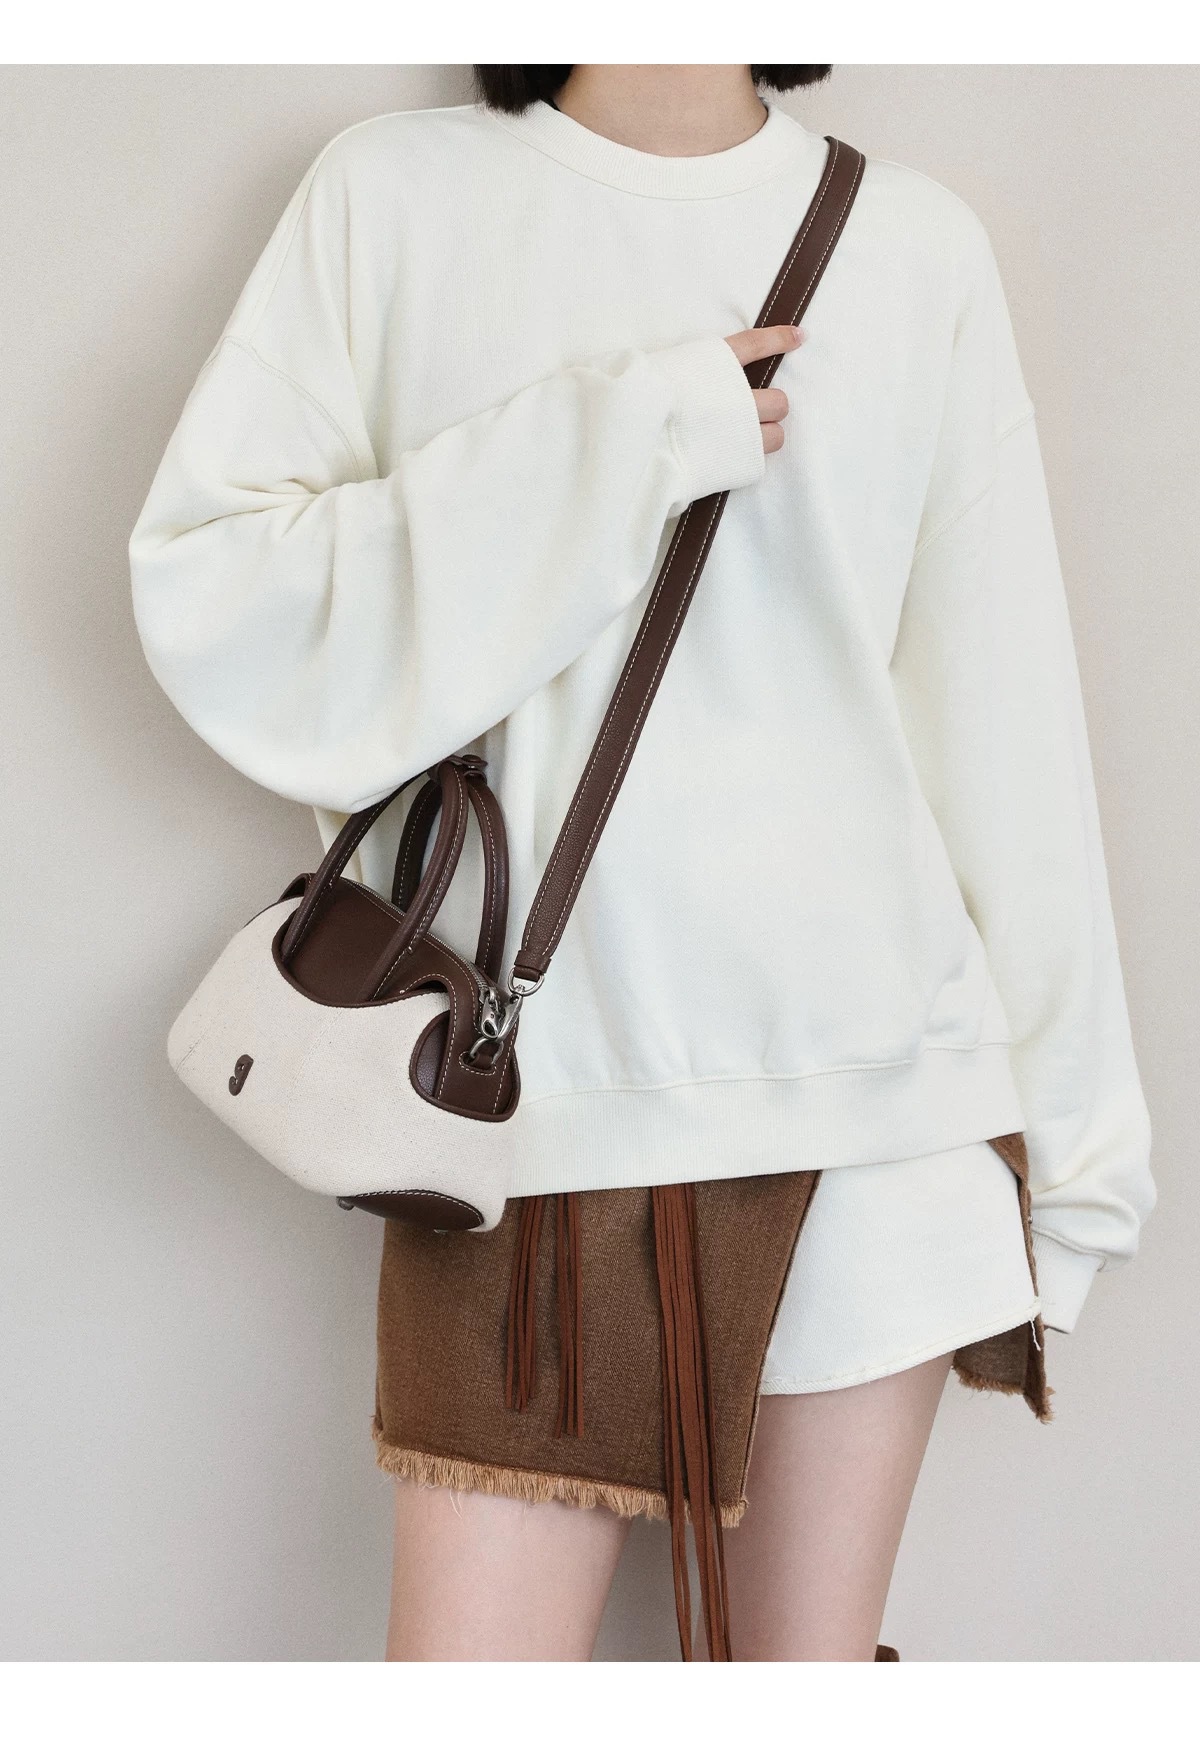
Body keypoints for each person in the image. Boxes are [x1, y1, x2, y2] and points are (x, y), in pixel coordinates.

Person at [129, 64, 1155, 1660]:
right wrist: (622, 439)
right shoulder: (395, 196)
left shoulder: (914, 245)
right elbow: (222, 599)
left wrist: (1080, 1168)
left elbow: (999, 714)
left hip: (870, 1110)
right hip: (511, 1114)